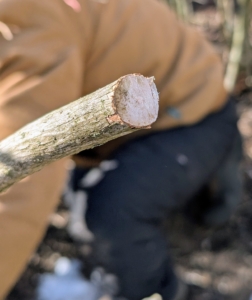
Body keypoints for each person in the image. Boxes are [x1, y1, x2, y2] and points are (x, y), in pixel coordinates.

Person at [0, 0, 243, 299]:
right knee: (83, 200)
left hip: (193, 112)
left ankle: (164, 292)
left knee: (110, 215)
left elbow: (20, 181)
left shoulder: (28, 32)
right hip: (147, 111)